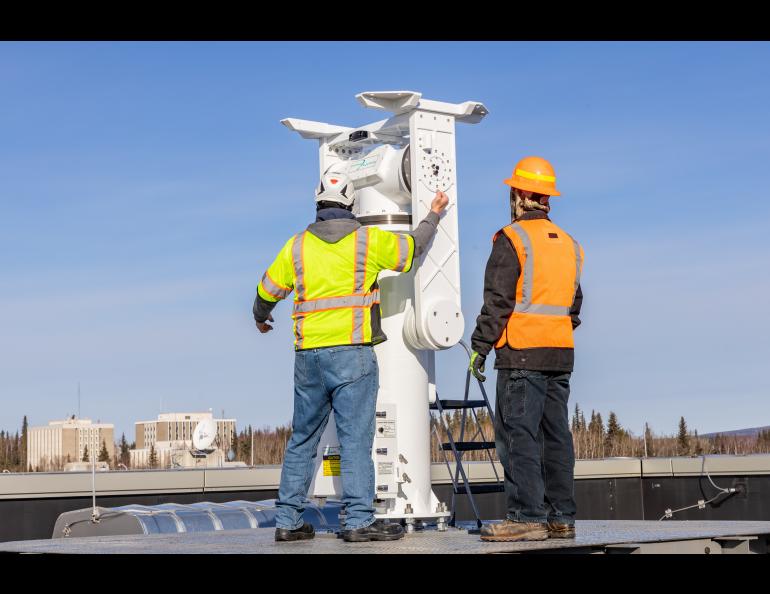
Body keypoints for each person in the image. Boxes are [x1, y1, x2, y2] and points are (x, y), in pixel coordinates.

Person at [253, 168, 449, 542]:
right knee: (356, 439)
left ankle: (288, 521)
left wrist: (261, 319)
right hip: (352, 354)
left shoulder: (296, 246)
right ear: (350, 203)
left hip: (308, 357)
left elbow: (265, 293)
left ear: (317, 201)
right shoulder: (367, 242)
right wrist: (434, 214)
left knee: (302, 438)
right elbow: (412, 250)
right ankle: (358, 521)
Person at [468, 156, 584, 542]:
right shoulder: (569, 245)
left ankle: (526, 516)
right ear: (547, 198)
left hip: (521, 354)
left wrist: (480, 346)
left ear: (518, 194)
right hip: (560, 353)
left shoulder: (511, 238)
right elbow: (573, 303)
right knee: (556, 436)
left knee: (518, 436)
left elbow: (498, 301)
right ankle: (561, 517)